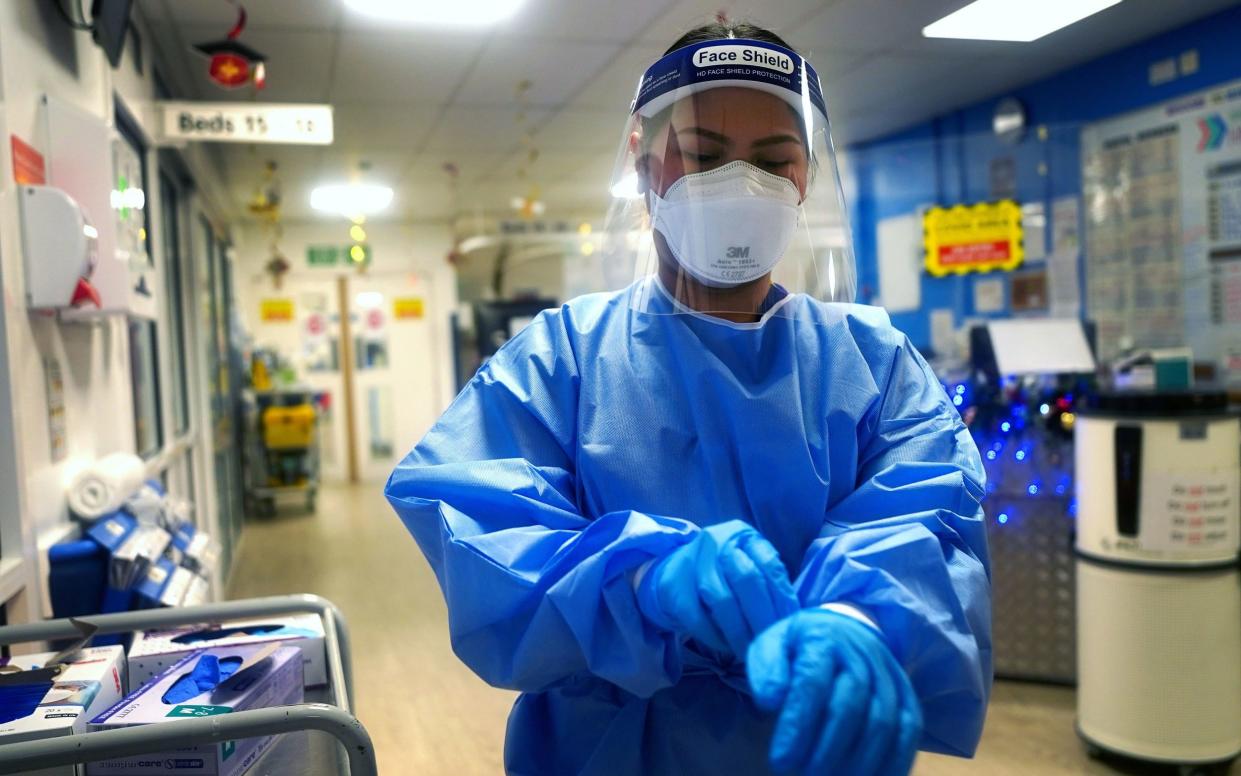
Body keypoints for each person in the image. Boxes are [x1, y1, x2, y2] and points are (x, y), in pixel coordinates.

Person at [386, 20, 991, 776]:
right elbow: (481, 529)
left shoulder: (872, 363)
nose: (743, 186)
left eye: (775, 161)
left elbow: (931, 520)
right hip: (604, 750)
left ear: (805, 179)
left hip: (807, 746)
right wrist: (641, 581)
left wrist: (856, 618)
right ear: (644, 167)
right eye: (704, 156)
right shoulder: (561, 357)